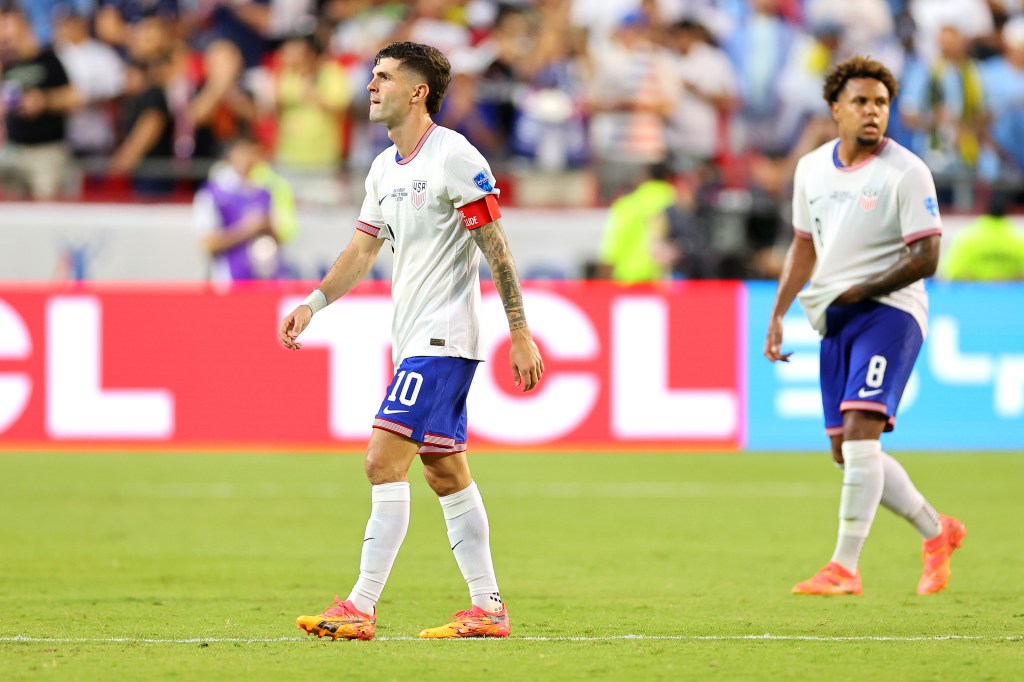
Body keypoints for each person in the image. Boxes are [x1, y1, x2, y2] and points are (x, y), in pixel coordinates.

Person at [278, 41, 543, 640]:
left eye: (384, 77)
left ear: (417, 91)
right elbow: (361, 250)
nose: (370, 86)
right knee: (444, 472)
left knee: (381, 460)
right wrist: (313, 303)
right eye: (372, 76)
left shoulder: (454, 156)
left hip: (442, 338)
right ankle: (488, 609)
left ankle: (360, 606)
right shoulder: (381, 169)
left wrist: (519, 332)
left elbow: (495, 247)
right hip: (414, 339)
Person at [764, 55, 966, 597]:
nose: (873, 112)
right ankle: (937, 531)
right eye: (861, 101)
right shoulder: (810, 169)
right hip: (836, 315)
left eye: (881, 103)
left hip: (892, 311)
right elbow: (803, 247)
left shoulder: (906, 170)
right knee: (848, 450)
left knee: (860, 432)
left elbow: (927, 257)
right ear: (836, 108)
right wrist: (779, 312)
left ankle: (844, 567)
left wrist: (864, 290)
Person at [193, 136, 283, 281]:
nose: (248, 159)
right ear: (229, 157)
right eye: (243, 153)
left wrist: (268, 226)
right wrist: (248, 229)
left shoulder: (264, 192)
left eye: (251, 153)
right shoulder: (213, 194)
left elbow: (279, 240)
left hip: (264, 280)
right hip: (228, 281)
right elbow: (208, 244)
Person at [942, 187, 1024, 281]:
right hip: (1011, 295)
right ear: (1009, 208)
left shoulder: (968, 238)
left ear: (985, 207)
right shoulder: (1018, 239)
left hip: (975, 294)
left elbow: (950, 273)